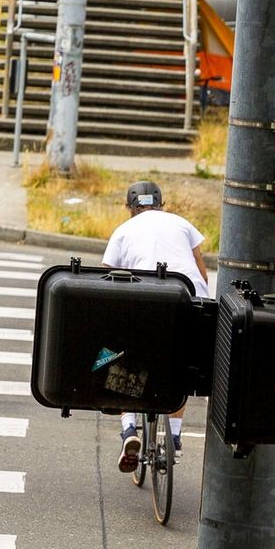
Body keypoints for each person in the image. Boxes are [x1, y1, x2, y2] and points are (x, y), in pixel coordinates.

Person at [101, 179, 209, 475]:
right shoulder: (181, 223)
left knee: (126, 362)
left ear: (130, 208)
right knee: (182, 372)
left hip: (146, 304)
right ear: (161, 204)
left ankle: (129, 430)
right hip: (188, 298)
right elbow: (201, 272)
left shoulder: (123, 230)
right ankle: (173, 435)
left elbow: (105, 282)